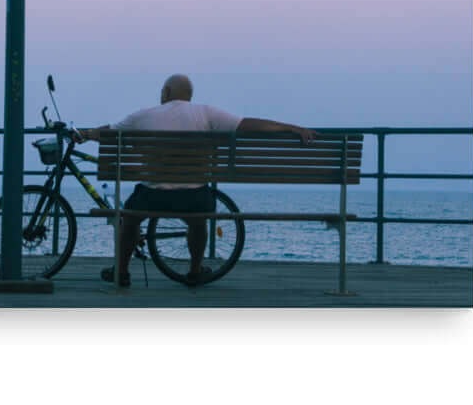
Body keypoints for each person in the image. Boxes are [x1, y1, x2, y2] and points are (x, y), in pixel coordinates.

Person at [77, 73, 316, 287]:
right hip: (194, 198)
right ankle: (194, 271)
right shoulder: (206, 113)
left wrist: (85, 134)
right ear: (189, 96)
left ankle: (122, 271)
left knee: (129, 218)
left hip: (152, 196)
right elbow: (248, 125)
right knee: (198, 219)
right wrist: (292, 128)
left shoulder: (143, 115)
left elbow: (107, 132)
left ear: (167, 93)